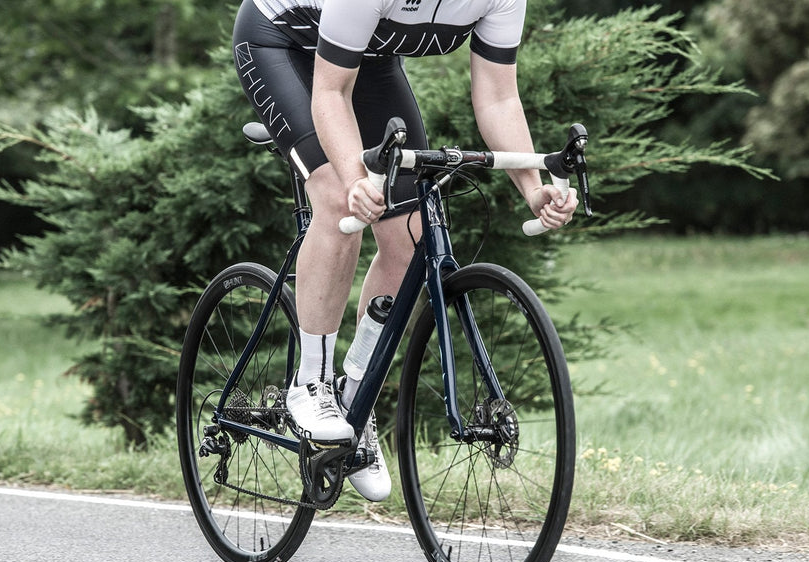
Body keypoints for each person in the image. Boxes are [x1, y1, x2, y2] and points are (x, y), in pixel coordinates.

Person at [232, 0, 578, 502]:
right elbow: (330, 91)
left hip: (366, 57)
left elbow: (498, 97)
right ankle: (311, 384)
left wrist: (533, 187)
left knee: (410, 234)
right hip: (280, 42)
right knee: (337, 202)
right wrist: (355, 181)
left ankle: (355, 392)